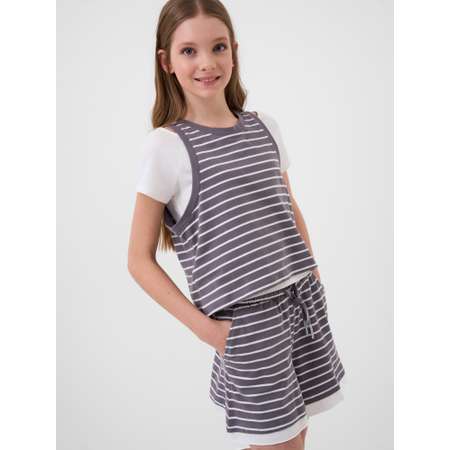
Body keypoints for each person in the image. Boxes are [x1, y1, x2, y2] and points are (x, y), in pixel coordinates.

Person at [127, 1, 346, 449]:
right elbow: (138, 260)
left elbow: (287, 206)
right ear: (166, 62)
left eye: (218, 47)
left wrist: (313, 274)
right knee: (277, 443)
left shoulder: (264, 127)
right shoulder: (165, 147)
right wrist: (209, 331)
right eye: (189, 51)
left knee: (297, 438)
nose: (207, 62)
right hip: (248, 324)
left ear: (234, 51)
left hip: (302, 304)